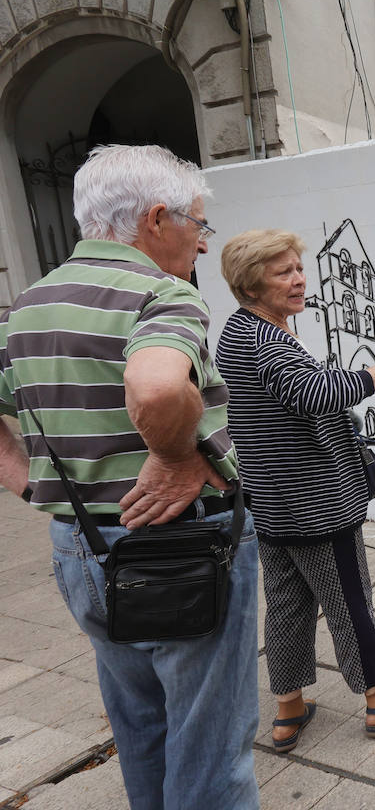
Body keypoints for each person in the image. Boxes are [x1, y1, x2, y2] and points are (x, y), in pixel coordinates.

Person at [0, 146, 260, 808]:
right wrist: (176, 456)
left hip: (78, 547)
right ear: (154, 220)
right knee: (211, 751)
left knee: (141, 725)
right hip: (182, 550)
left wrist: (28, 485)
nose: (203, 244)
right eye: (198, 225)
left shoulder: (26, 307)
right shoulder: (162, 293)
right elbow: (155, 388)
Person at [214, 229, 375, 753]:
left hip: (274, 503)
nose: (300, 279)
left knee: (285, 605)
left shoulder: (238, 332)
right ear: (252, 284)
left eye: (299, 268)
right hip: (317, 505)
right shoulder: (267, 341)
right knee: (349, 601)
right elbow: (313, 393)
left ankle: (288, 710)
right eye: (284, 272)